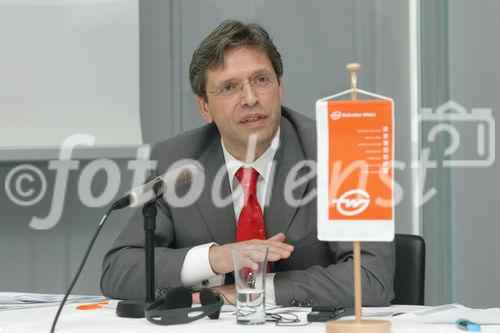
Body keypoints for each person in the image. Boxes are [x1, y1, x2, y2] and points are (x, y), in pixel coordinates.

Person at [101, 19, 395, 307]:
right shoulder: (179, 159)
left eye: (261, 80)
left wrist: (247, 291)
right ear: (205, 107)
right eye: (229, 87)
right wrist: (216, 258)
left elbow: (371, 278)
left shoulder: (338, 150)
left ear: (280, 88)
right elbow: (119, 270)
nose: (251, 98)